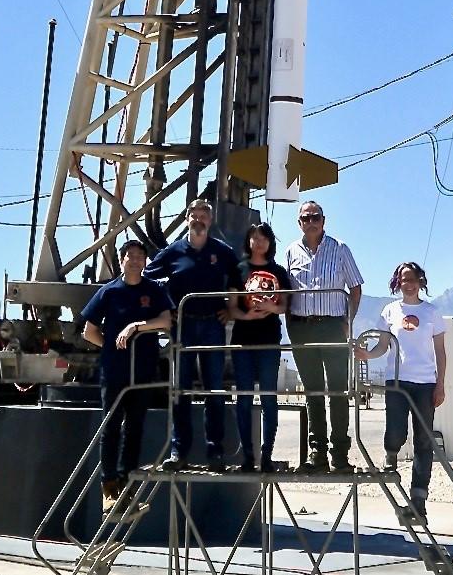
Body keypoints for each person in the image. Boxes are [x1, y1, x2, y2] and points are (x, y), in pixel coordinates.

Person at [145, 198, 240, 472]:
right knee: (180, 391)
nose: (198, 220)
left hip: (212, 325)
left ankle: (216, 451)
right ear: (187, 218)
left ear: (210, 221)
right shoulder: (173, 252)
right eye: (194, 215)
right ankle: (179, 451)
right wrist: (166, 308)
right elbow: (149, 278)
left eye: (203, 216)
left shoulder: (222, 252)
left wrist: (230, 309)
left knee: (215, 390)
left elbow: (238, 279)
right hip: (182, 326)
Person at [79, 239, 173, 510]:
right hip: (116, 370)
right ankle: (108, 488)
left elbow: (165, 321)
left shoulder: (153, 290)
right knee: (111, 427)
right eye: (130, 256)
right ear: (121, 261)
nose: (135, 261)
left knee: (135, 427)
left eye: (140, 257)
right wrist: (112, 348)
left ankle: (126, 485)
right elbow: (89, 331)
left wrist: (136, 326)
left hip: (143, 368)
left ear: (145, 262)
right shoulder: (109, 292)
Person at [285, 200, 363, 472]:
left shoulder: (340, 249)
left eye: (315, 216)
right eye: (305, 218)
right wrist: (291, 327)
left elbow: (355, 288)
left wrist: (347, 322)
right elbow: (286, 293)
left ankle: (339, 454)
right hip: (302, 328)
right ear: (299, 223)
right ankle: (316, 453)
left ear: (323, 220)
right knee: (313, 392)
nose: (310, 221)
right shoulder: (291, 252)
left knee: (338, 391)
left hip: (332, 326)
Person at [376, 261, 446, 520]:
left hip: (425, 382)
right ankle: (391, 453)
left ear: (421, 281)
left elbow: (440, 351)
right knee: (396, 429)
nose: (409, 282)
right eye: (404, 278)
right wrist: (365, 354)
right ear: (397, 282)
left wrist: (440, 384)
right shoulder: (390, 311)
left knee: (423, 441)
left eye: (413, 278)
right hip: (397, 379)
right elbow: (383, 346)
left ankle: (419, 499)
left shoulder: (432, 313)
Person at [227, 223, 293, 473]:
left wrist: (270, 308)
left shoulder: (278, 271)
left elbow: (285, 304)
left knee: (268, 397)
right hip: (243, 338)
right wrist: (248, 317)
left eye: (264, 237)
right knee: (243, 397)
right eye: (254, 237)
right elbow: (232, 306)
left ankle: (267, 454)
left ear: (270, 242)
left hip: (268, 339)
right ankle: (247, 455)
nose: (259, 242)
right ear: (248, 241)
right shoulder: (239, 269)